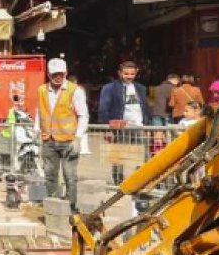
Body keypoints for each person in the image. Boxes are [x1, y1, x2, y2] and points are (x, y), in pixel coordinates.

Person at [38, 58, 89, 208]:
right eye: (54, 74)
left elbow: (83, 115)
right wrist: (37, 133)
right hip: (49, 140)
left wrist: (78, 138)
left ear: (66, 73)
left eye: (60, 74)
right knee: (50, 176)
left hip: (68, 141)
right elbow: (40, 112)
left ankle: (71, 208)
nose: (58, 77)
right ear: (48, 74)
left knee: (70, 177)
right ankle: (53, 208)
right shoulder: (42, 90)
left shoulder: (75, 91)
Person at [97, 60, 151, 185]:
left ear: (136, 73)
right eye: (126, 74)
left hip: (138, 126)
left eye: (132, 74)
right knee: (119, 156)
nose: (129, 77)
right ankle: (119, 182)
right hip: (120, 127)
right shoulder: (109, 88)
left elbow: (145, 108)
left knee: (145, 156)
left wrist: (148, 126)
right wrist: (107, 129)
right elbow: (103, 109)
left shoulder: (141, 88)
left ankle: (141, 180)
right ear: (119, 73)